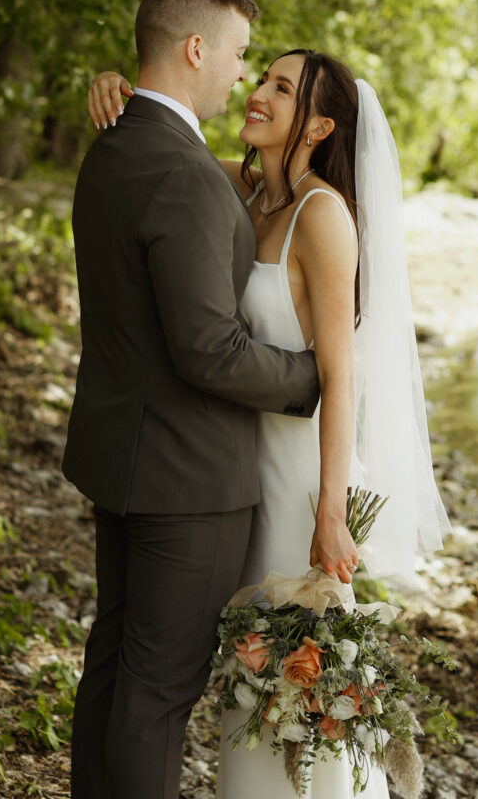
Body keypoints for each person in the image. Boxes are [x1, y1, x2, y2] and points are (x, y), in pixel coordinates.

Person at [88, 48, 450, 797]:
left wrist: (328, 509)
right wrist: (121, 92)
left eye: (280, 89)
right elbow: (168, 148)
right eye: (260, 78)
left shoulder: (322, 216)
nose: (257, 94)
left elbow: (339, 373)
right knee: (242, 682)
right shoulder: (242, 192)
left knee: (293, 685)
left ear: (318, 125)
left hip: (296, 481)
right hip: (232, 472)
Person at [64, 0, 336, 799]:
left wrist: (113, 86)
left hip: (125, 459)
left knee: (114, 671)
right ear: (193, 48)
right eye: (239, 55)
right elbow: (206, 349)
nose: (242, 77)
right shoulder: (184, 172)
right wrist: (308, 381)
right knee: (156, 693)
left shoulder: (115, 146)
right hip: (185, 482)